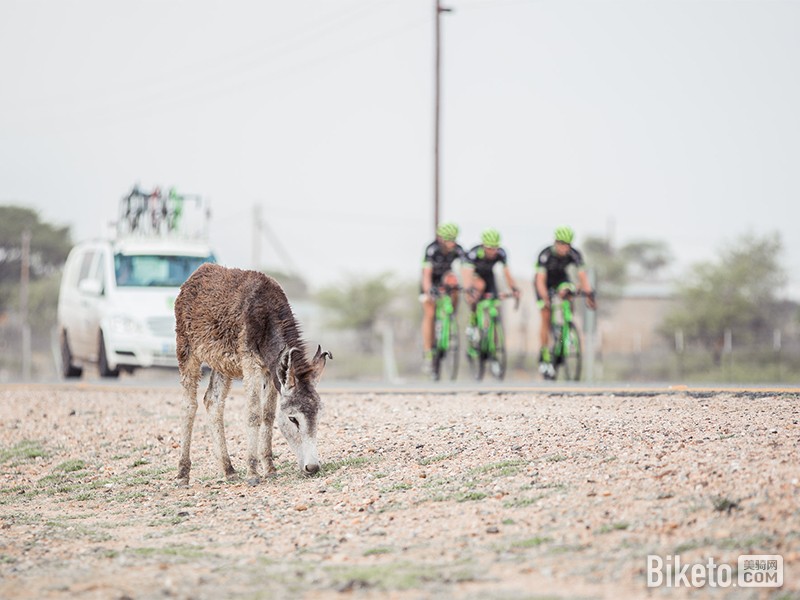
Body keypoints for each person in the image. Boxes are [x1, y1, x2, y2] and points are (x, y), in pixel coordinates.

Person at [534, 225, 596, 379]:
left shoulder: (574, 254)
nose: (564, 248)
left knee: (569, 292)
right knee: (546, 315)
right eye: (561, 244)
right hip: (545, 283)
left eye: (567, 245)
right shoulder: (545, 254)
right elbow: (540, 280)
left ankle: (565, 330)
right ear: (555, 242)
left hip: (561, 280)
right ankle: (544, 352)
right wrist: (545, 298)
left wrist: (589, 294)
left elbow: (582, 276)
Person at [420, 222, 466, 371]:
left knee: (454, 281)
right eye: (448, 239)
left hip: (445, 279)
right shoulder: (432, 249)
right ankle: (428, 351)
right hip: (430, 281)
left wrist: (468, 286)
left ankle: (451, 314)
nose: (452, 243)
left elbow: (466, 269)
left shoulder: (458, 249)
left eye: (454, 239)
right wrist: (428, 290)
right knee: (430, 313)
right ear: (441, 239)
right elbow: (426, 274)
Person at [463, 228, 521, 343]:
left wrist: (514, 289)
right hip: (475, 276)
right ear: (483, 245)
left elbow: (507, 274)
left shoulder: (501, 253)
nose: (492, 252)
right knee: (480, 286)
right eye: (489, 248)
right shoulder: (474, 253)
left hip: (489, 276)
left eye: (495, 248)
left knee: (495, 302)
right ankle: (473, 321)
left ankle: (492, 341)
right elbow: (467, 274)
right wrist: (469, 290)